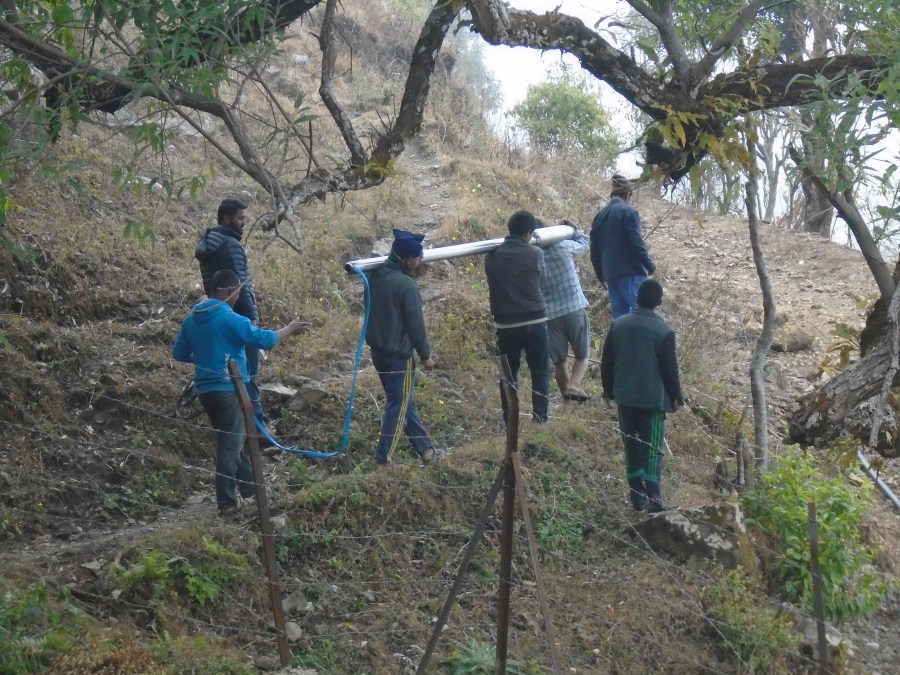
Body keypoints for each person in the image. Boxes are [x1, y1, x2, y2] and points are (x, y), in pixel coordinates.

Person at [173, 269, 305, 515]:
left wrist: (206, 359)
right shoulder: (229, 318)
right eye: (237, 292)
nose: (238, 297)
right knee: (231, 446)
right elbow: (263, 340)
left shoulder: (192, 318)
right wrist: (289, 329)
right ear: (227, 291)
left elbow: (179, 353)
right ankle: (227, 502)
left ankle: (251, 490)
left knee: (233, 439)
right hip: (229, 389)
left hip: (206, 390)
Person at [600, 279, 684, 513]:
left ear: (637, 298)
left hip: (625, 398)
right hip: (652, 401)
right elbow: (670, 369)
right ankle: (655, 498)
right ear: (659, 302)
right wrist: (677, 397)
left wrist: (607, 390)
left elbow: (607, 362)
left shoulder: (618, 325)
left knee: (631, 445)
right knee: (652, 447)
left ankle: (637, 497)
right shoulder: (664, 331)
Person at [365, 229, 442, 466]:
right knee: (398, 407)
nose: (419, 263)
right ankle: (383, 458)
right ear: (408, 259)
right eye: (418, 258)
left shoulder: (375, 275)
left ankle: (426, 451)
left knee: (402, 402)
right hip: (399, 355)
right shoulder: (406, 284)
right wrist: (425, 355)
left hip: (378, 352)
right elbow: (415, 324)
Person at [195, 198, 267, 423]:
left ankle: (236, 424)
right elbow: (240, 285)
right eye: (240, 218)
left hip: (217, 312)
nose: (243, 223)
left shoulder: (207, 245)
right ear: (226, 218)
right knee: (248, 374)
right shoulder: (230, 245)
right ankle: (257, 428)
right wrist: (251, 318)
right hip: (239, 315)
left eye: (245, 218)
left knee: (228, 374)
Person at [484, 210, 550, 424]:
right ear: (528, 233)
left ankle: (508, 418)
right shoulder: (535, 254)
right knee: (539, 371)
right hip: (535, 320)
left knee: (508, 374)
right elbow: (542, 280)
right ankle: (540, 417)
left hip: (506, 324)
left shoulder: (491, 256)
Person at [539, 218, 592, 402]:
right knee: (582, 354)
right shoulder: (563, 246)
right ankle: (574, 385)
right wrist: (573, 229)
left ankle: (567, 400)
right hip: (574, 307)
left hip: (551, 314)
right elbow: (584, 243)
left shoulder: (535, 258)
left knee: (559, 361)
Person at [590, 175, 656, 319]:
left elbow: (594, 250)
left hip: (611, 275)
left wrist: (600, 275)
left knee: (620, 320)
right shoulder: (628, 212)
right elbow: (636, 242)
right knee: (643, 315)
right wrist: (649, 265)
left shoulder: (599, 216)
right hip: (631, 273)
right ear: (627, 195)